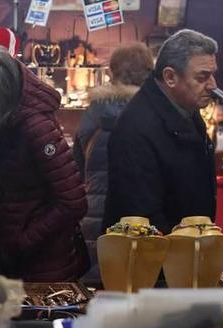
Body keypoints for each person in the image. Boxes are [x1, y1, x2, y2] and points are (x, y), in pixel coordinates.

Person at [0, 43, 89, 282]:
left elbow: (73, 202)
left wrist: (24, 241)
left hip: (44, 267)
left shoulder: (36, 128)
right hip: (6, 258)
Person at [102, 29, 217, 236]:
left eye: (212, 74)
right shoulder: (137, 127)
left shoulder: (185, 110)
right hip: (155, 259)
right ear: (170, 77)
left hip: (184, 252)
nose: (213, 85)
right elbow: (142, 218)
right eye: (203, 77)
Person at [73, 42, 153, 286]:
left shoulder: (94, 113)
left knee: (96, 283)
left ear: (113, 71)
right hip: (139, 214)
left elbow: (76, 163)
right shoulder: (152, 114)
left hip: (93, 210)